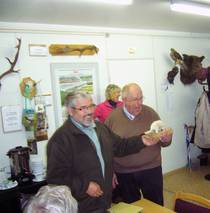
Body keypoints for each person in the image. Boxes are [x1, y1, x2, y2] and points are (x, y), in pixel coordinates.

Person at [47, 91, 160, 213]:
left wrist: (142, 140)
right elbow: (55, 178)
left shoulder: (99, 128)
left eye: (91, 106)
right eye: (83, 108)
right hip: (82, 204)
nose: (90, 112)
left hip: (104, 199)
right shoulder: (60, 140)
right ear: (70, 111)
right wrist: (84, 186)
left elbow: (120, 146)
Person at [105, 83, 173, 205]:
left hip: (151, 168)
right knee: (132, 207)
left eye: (141, 98)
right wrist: (111, 171)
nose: (139, 103)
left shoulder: (151, 113)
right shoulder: (112, 118)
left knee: (156, 205)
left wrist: (167, 139)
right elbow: (106, 148)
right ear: (124, 100)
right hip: (124, 172)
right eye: (135, 99)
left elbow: (164, 142)